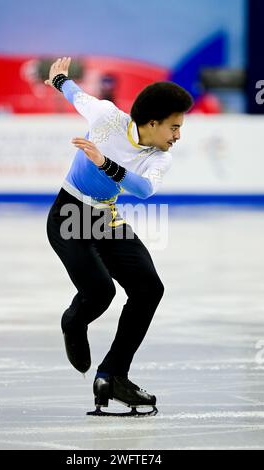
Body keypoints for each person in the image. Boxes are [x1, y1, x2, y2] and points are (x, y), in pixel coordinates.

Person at [45, 57, 193, 416]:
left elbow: (142, 190)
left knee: (149, 288)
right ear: (152, 122)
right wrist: (60, 79)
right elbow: (79, 97)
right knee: (100, 293)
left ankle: (112, 375)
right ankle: (73, 320)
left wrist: (105, 164)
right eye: (173, 127)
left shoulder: (160, 158)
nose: (177, 136)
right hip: (69, 215)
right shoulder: (108, 118)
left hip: (106, 217)